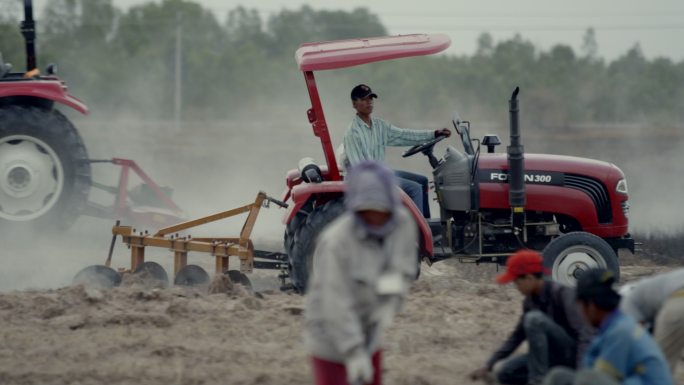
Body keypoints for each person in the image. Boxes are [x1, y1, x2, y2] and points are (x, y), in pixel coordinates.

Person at [303, 161, 419, 385]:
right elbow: (336, 302)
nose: (374, 219)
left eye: (381, 211)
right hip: (331, 338)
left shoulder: (402, 225)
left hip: (369, 330)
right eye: (366, 212)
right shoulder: (336, 242)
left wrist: (389, 302)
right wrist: (353, 353)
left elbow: (401, 268)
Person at [469, 250, 593, 385]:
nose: (516, 287)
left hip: (572, 355)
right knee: (506, 373)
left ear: (529, 278)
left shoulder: (563, 294)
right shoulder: (530, 301)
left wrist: (583, 373)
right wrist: (489, 364)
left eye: (517, 282)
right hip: (550, 357)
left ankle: (538, 381)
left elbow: (585, 334)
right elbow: (516, 337)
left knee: (534, 319)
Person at [543, 268, 674, 385]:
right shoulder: (616, 325)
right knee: (559, 376)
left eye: (579, 306)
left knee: (587, 378)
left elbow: (596, 377)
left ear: (591, 306)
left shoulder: (619, 332)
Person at [342, 84, 451, 218]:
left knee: (422, 181)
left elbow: (404, 135)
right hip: (370, 179)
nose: (369, 101)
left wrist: (433, 134)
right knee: (414, 188)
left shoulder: (379, 126)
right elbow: (361, 169)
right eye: (364, 99)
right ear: (354, 104)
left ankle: (428, 224)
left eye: (371, 98)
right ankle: (419, 235)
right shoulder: (353, 133)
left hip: (381, 172)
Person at [619, 268, 684, 374]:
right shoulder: (652, 285)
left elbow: (637, 334)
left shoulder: (627, 300)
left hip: (678, 299)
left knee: (659, 365)